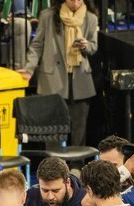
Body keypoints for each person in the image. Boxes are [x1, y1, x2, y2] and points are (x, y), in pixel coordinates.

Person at [18, 0, 99, 147]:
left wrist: (86, 46)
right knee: (52, 129)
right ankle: (54, 166)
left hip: (80, 78)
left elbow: (93, 47)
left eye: (79, 0)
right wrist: (29, 69)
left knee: (79, 129)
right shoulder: (47, 16)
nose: (75, 3)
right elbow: (37, 45)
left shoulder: (91, 18)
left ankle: (76, 166)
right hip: (52, 79)